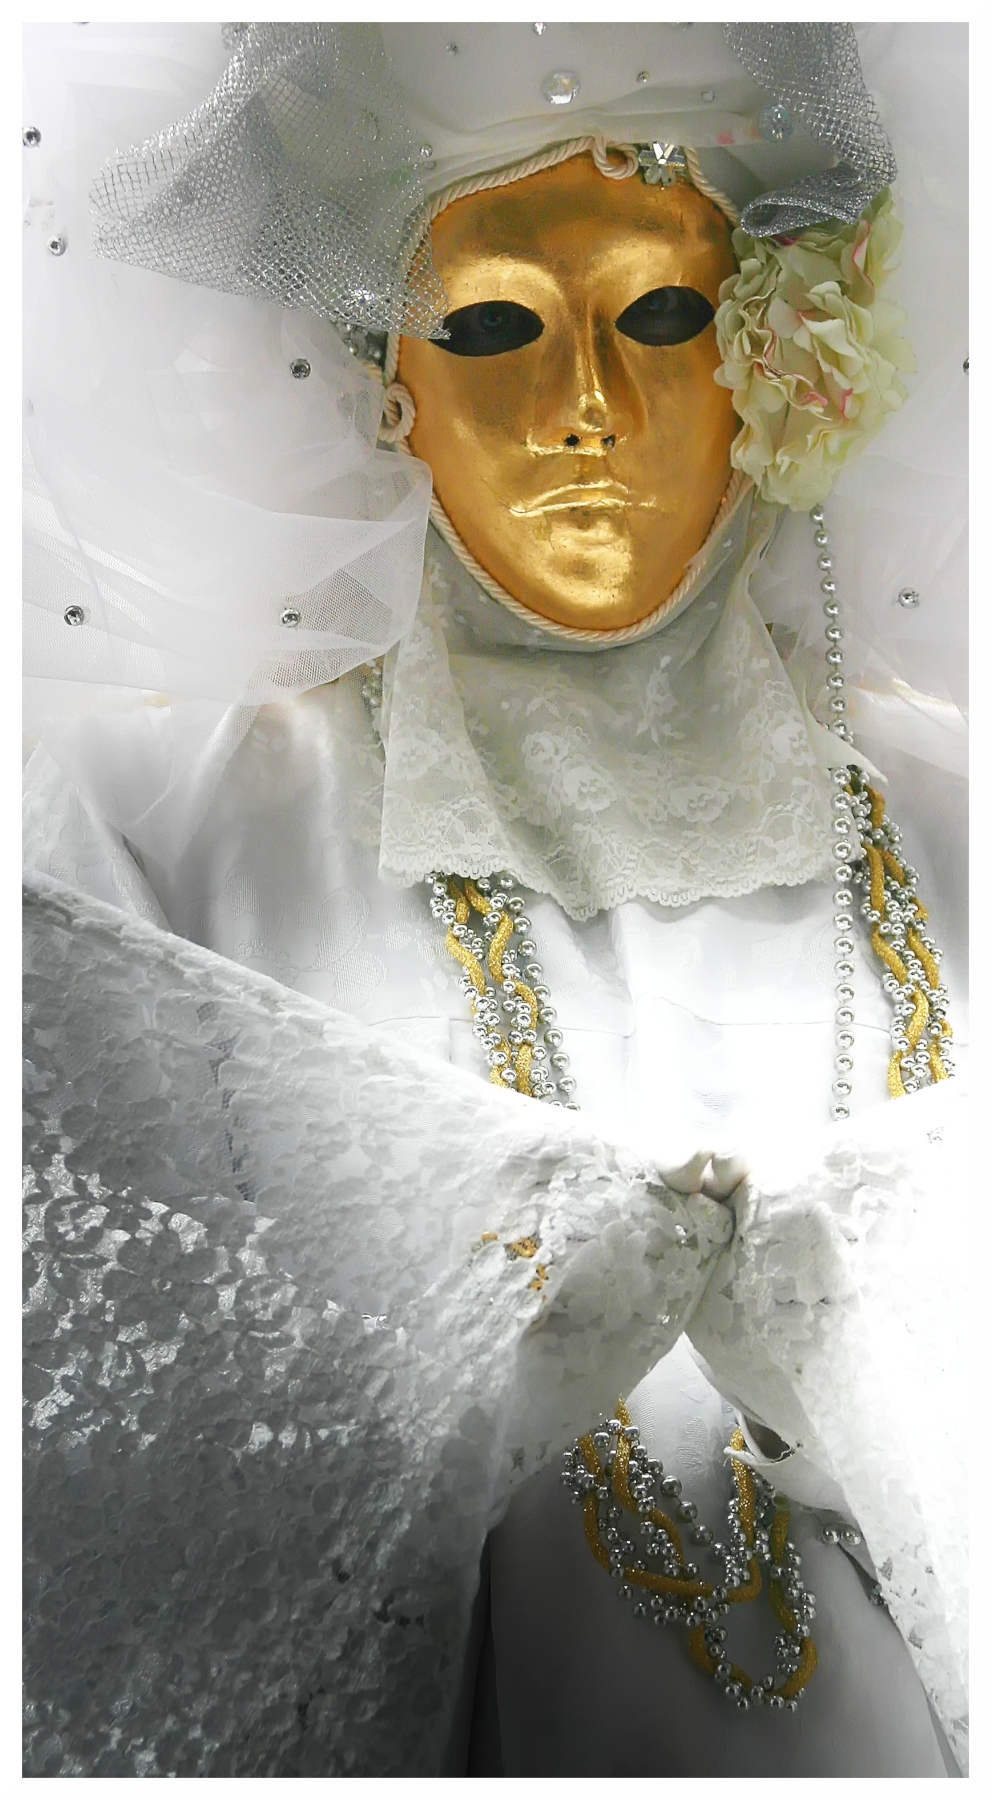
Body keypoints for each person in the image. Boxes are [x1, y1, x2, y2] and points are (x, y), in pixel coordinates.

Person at [22, 21, 966, 1778]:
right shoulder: (170, 823)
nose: (584, 404)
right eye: (491, 328)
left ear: (771, 363)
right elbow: (85, 1439)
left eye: (662, 314)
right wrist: (477, 1366)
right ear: (386, 381)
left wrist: (867, 1369)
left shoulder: (951, 814)